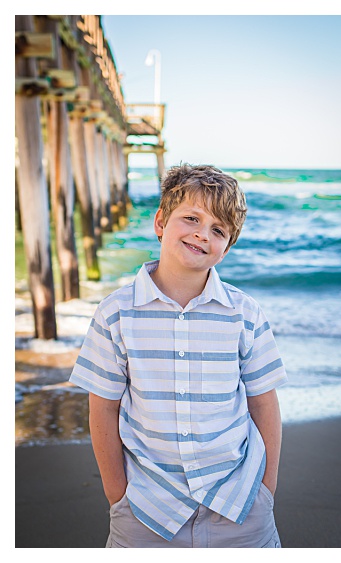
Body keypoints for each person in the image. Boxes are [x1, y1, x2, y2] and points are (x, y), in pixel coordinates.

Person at [70, 164, 287, 548]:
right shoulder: (115, 313)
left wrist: (266, 490)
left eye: (218, 230)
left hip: (238, 503)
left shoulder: (245, 313)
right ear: (160, 221)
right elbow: (102, 407)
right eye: (191, 218)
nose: (202, 234)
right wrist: (117, 496)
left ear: (227, 247)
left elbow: (264, 403)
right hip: (146, 508)